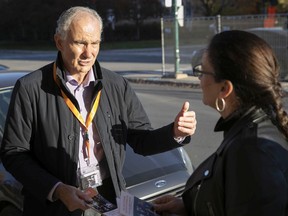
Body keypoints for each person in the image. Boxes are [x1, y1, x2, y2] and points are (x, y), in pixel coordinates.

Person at [0, 6, 197, 216]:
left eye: (94, 43)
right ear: (59, 42)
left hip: (108, 203)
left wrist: (175, 133)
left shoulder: (117, 85)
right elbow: (14, 153)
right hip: (56, 208)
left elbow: (141, 140)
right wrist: (57, 189)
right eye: (80, 43)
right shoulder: (31, 88)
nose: (88, 52)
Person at [153, 30, 288, 216]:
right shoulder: (250, 130)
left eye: (202, 71)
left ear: (225, 88)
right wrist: (190, 205)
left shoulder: (251, 151)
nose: (199, 79)